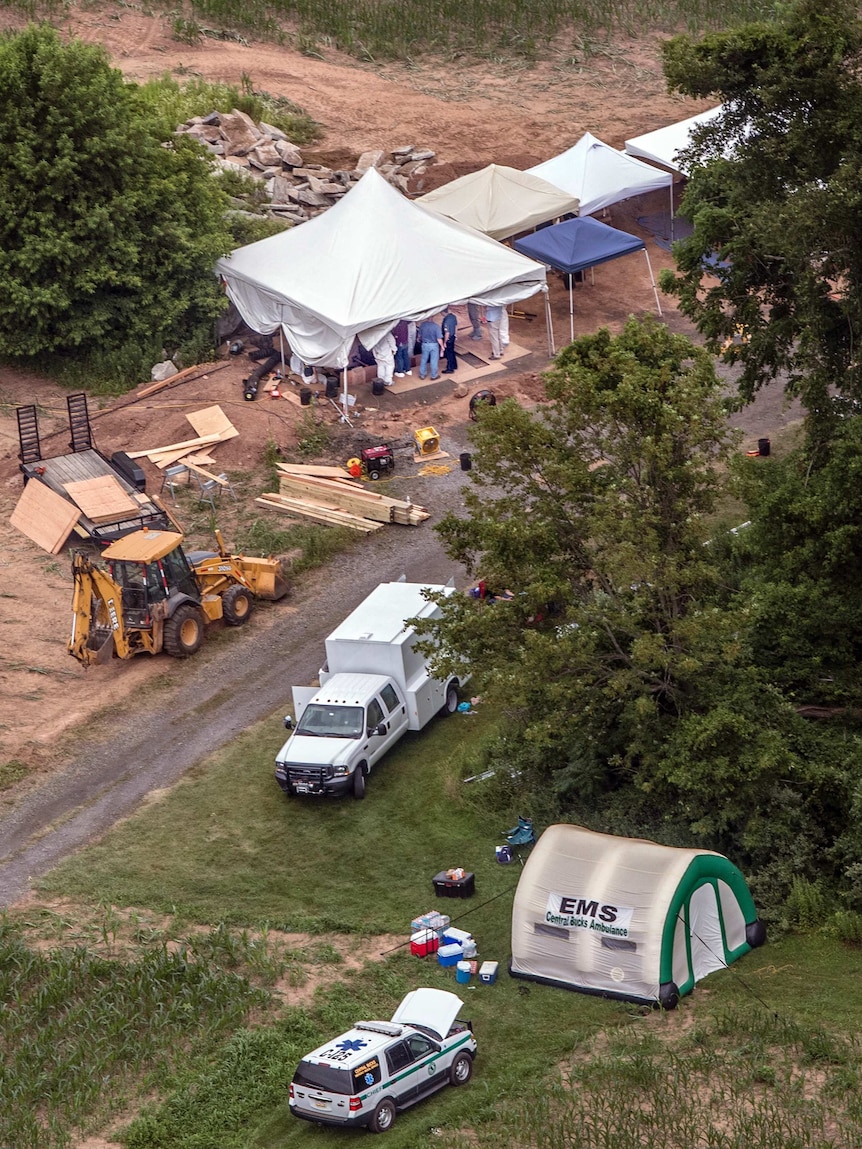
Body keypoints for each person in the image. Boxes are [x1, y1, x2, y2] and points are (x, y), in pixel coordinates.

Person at [417, 314, 443, 380]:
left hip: (425, 344)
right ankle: (434, 375)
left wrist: (419, 339)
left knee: (423, 359)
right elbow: (439, 339)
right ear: (433, 317)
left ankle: (422, 374)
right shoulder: (436, 326)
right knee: (433, 360)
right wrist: (442, 346)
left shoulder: (422, 325)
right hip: (433, 345)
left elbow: (419, 336)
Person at [441, 305, 458, 374]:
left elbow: (447, 333)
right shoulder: (453, 317)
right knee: (452, 351)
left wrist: (444, 342)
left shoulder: (446, 321)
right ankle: (454, 365)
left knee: (449, 354)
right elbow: (456, 326)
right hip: (453, 336)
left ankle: (450, 368)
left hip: (448, 338)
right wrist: (455, 334)